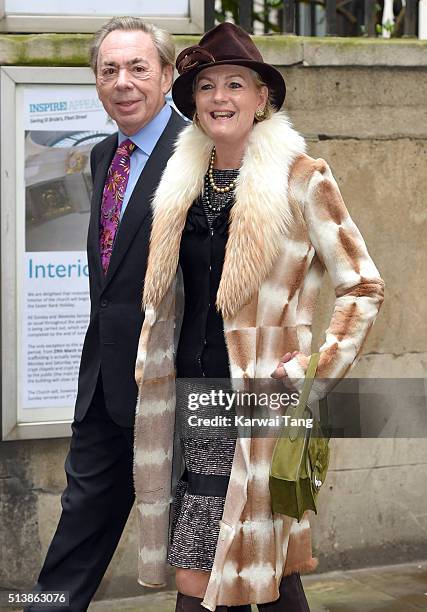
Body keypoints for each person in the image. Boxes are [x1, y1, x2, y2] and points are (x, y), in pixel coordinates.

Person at [133, 21, 385, 612]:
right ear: (193, 103)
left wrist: (317, 365)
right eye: (207, 86)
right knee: (256, 571)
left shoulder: (303, 179)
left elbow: (364, 284)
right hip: (186, 399)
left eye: (236, 84)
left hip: (257, 399)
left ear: (261, 98)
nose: (221, 97)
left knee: (214, 573)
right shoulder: (183, 185)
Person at [26, 17, 186, 612]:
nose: (123, 82)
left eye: (139, 67)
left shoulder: (199, 157)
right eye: (109, 70)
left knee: (216, 544)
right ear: (96, 82)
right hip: (103, 386)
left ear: (168, 76)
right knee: (78, 533)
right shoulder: (101, 156)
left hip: (175, 388)